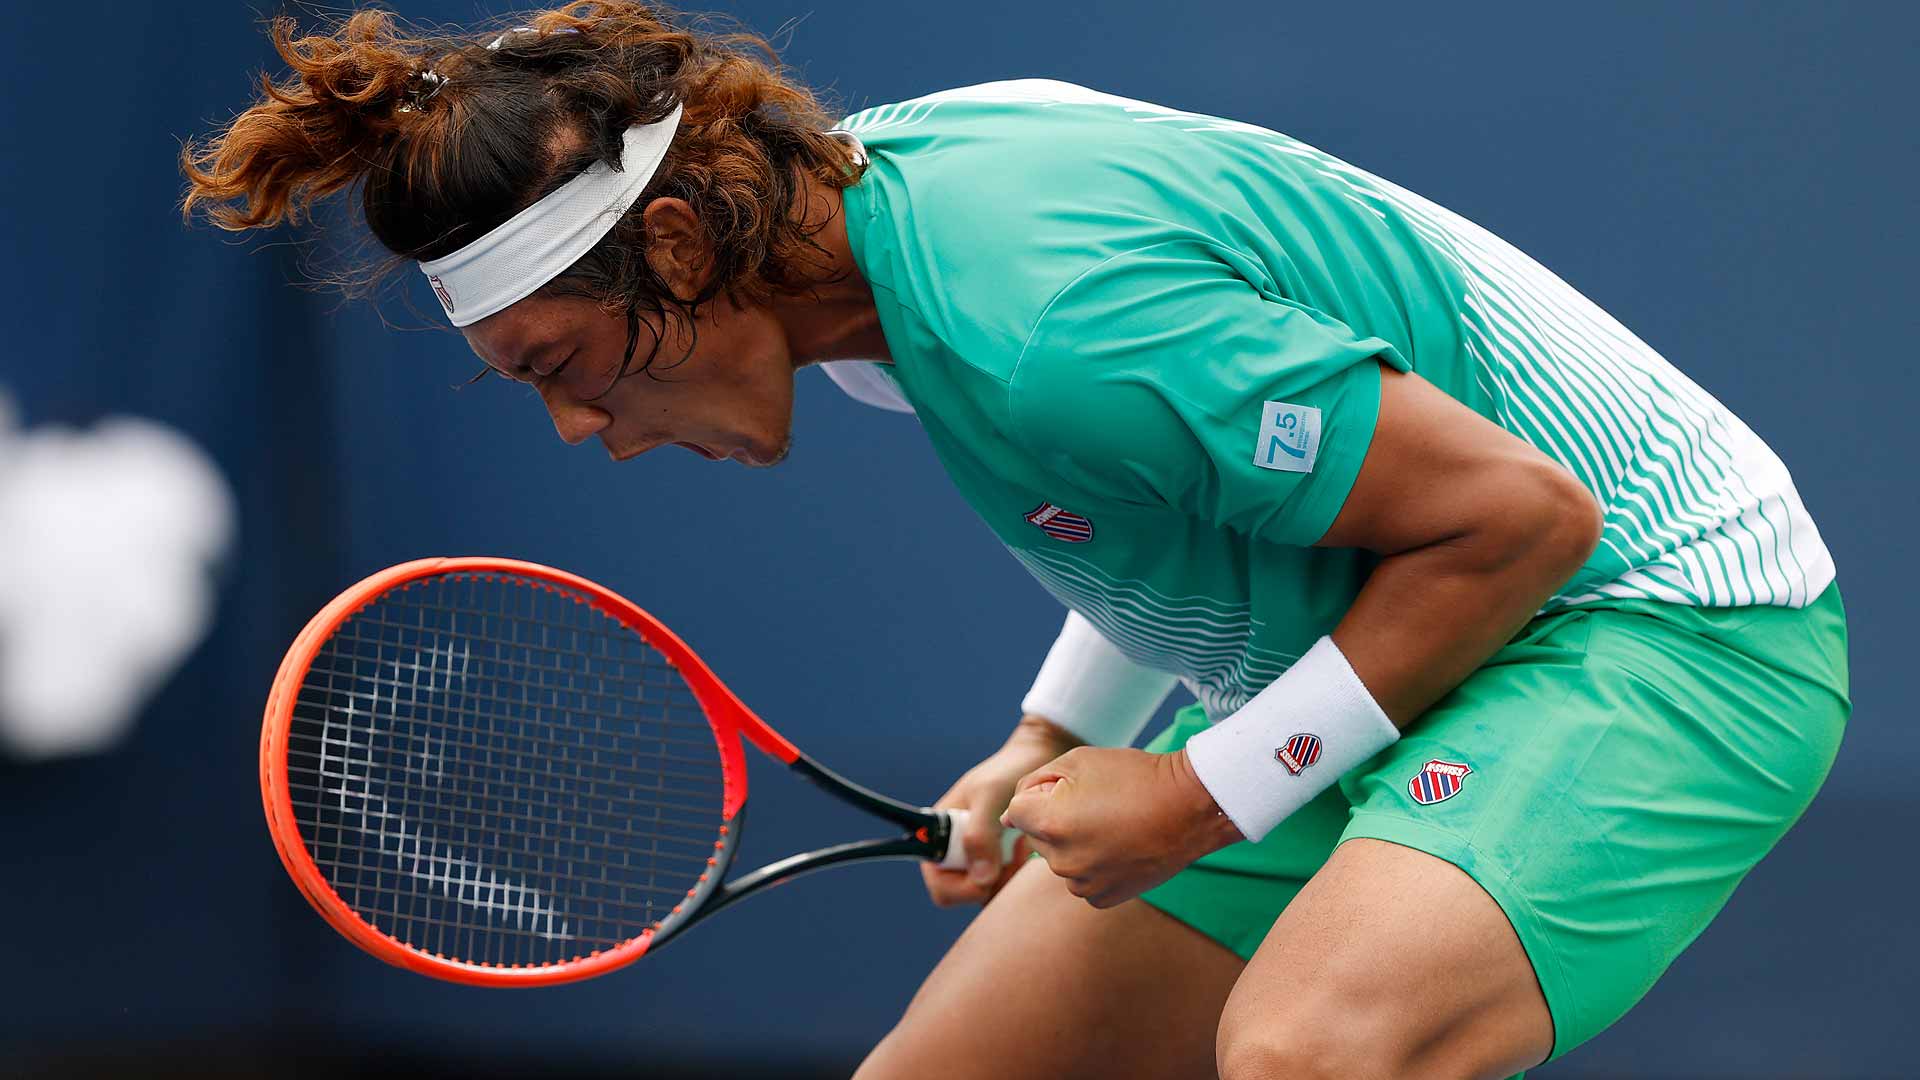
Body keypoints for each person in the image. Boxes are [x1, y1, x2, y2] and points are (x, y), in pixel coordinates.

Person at [181, 4, 1849, 1077]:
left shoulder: (1044, 319)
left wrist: (1200, 793)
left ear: (676, 245)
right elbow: (1161, 492)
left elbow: (1522, 520)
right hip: (1374, 626)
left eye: (561, 366)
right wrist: (1058, 736)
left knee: (1316, 1051)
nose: (577, 430)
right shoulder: (869, 227)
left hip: (1656, 618)